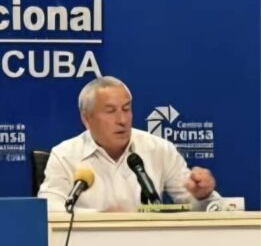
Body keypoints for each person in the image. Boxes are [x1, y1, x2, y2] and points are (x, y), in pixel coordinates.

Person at [38, 76, 218, 212]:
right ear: (87, 119)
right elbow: (49, 208)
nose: (122, 120)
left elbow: (200, 207)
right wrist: (99, 219)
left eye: (126, 109)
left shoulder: (159, 149)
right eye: (110, 111)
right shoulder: (65, 155)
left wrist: (203, 196)